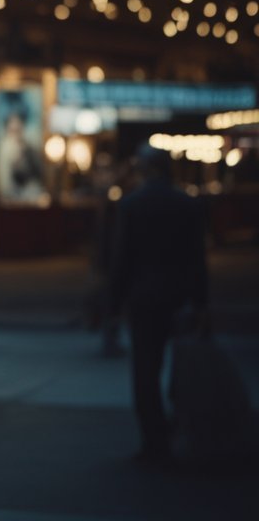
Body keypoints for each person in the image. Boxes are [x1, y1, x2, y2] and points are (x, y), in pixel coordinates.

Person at [109, 144, 208, 465]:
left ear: (145, 169)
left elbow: (121, 259)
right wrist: (202, 302)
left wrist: (113, 302)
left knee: (146, 371)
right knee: (183, 369)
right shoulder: (187, 204)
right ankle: (180, 424)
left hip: (144, 297)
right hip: (179, 297)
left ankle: (155, 441)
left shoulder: (132, 205)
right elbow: (198, 258)